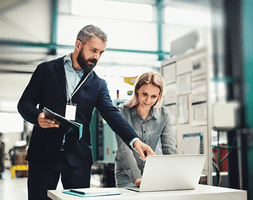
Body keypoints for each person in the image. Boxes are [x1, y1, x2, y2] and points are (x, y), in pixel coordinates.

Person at [17, 24, 155, 200]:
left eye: (101, 53)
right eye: (94, 50)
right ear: (78, 45)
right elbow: (24, 103)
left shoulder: (98, 83)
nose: (96, 57)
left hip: (77, 158)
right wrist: (37, 117)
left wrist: (135, 141)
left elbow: (112, 115)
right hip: (43, 154)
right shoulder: (46, 70)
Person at [114, 71, 177, 188]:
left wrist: (172, 175)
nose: (148, 100)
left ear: (159, 95)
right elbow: (124, 149)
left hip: (154, 173)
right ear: (137, 90)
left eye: (154, 96)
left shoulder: (164, 114)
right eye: (144, 94)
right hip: (127, 175)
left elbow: (169, 148)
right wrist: (137, 179)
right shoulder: (122, 112)